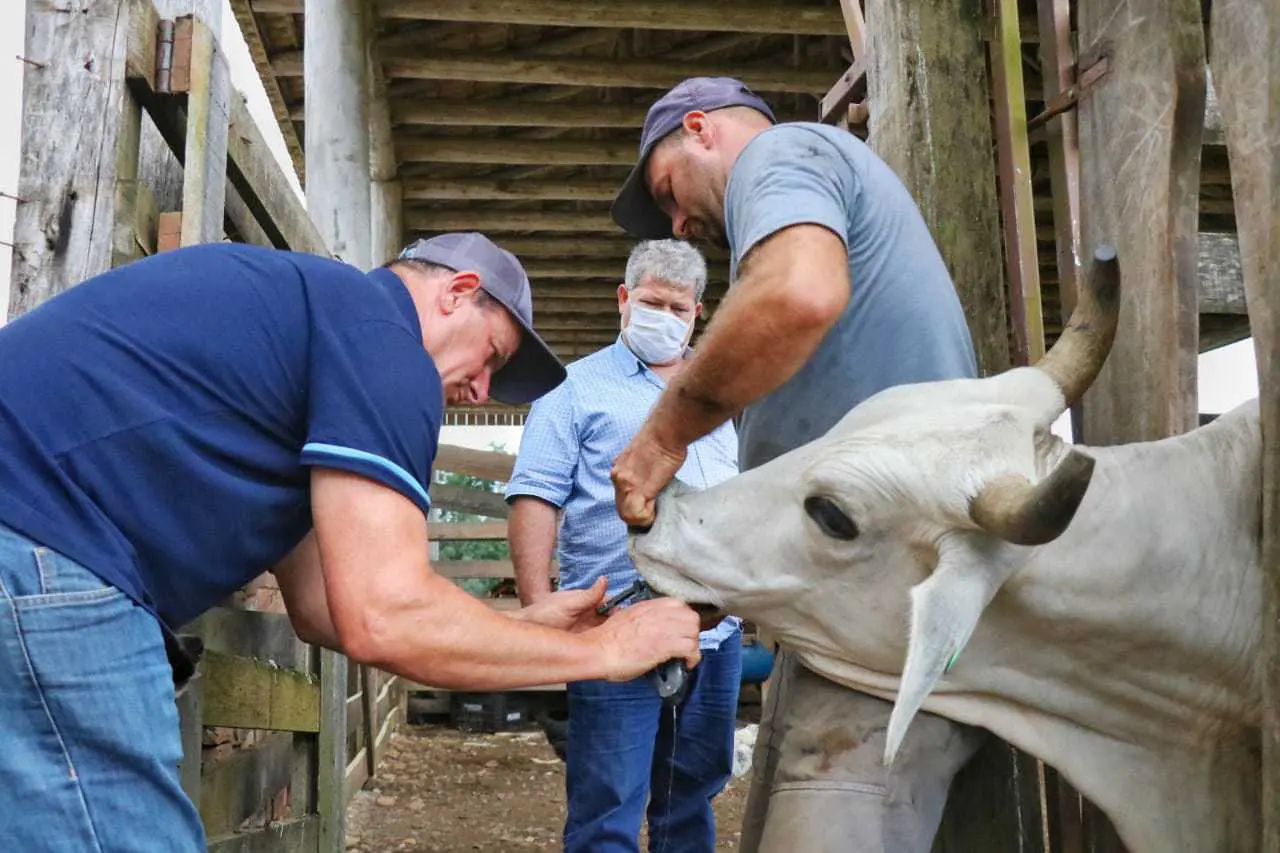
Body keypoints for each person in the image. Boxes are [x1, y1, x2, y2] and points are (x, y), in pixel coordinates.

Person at [0, 232, 703, 852]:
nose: (480, 389)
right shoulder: (382, 337)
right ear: (458, 293)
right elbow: (381, 615)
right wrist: (604, 651)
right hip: (43, 541)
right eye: (493, 357)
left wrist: (519, 625)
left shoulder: (312, 333)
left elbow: (321, 605)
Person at [607, 77, 987, 852]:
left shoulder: (784, 152)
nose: (679, 223)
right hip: (845, 604)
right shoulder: (797, 194)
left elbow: (800, 293)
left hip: (884, 599)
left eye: (668, 189)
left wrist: (662, 436)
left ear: (702, 129)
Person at [505, 239, 743, 853]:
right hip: (613, 622)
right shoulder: (573, 388)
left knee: (694, 789)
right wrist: (540, 610)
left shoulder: (725, 392)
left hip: (712, 631)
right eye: (650, 302)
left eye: (678, 307)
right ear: (622, 300)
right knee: (608, 800)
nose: (664, 316)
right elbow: (535, 495)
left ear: (699, 313)